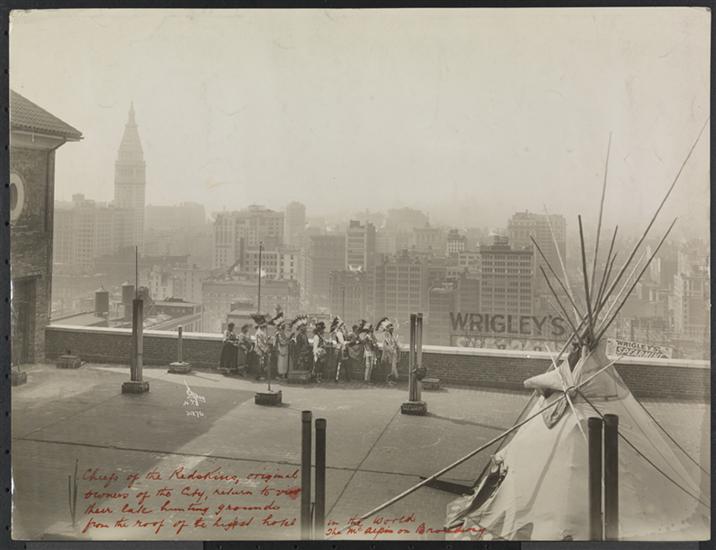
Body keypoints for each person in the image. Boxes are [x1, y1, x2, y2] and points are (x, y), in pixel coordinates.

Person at [378, 317, 400, 384]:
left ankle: (392, 379)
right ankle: (388, 380)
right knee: (388, 367)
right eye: (391, 329)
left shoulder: (392, 335)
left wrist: (396, 346)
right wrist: (391, 348)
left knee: (392, 367)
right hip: (388, 354)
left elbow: (394, 343)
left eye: (392, 329)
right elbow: (386, 345)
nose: (392, 330)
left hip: (393, 353)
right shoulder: (386, 335)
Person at [252, 314, 269, 380]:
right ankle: (258, 376)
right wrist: (264, 349)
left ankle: (260, 375)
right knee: (259, 363)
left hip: (261, 349)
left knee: (261, 363)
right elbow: (259, 343)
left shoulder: (262, 332)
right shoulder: (259, 332)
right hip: (259, 350)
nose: (265, 327)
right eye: (264, 326)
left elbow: (263, 340)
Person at [331, 317, 348, 382]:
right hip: (340, 349)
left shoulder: (338, 332)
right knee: (339, 364)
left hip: (339, 348)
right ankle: (336, 378)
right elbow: (342, 342)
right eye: (342, 326)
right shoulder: (339, 333)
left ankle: (339, 377)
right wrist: (347, 342)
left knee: (340, 364)